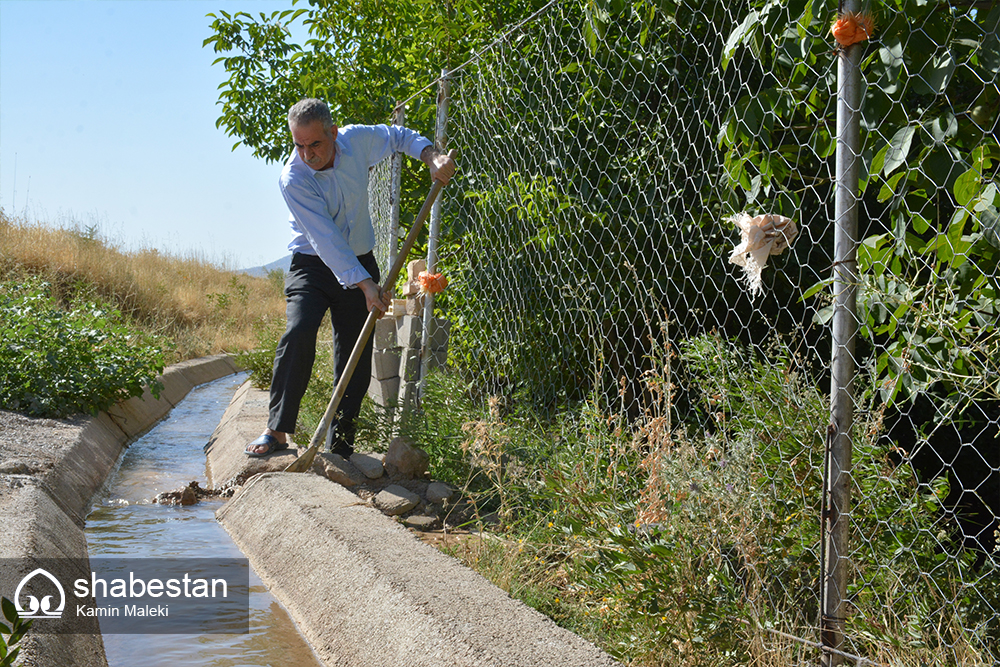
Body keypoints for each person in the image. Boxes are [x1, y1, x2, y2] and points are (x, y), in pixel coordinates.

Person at [245, 98, 455, 458]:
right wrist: (365, 284)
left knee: (354, 350)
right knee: (298, 333)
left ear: (333, 133)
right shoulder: (293, 178)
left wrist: (430, 156)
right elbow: (325, 239)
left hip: (361, 256)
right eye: (299, 145)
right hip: (311, 265)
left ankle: (340, 444)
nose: (307, 154)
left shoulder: (356, 141)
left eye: (315, 144)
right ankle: (277, 431)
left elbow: (398, 136)